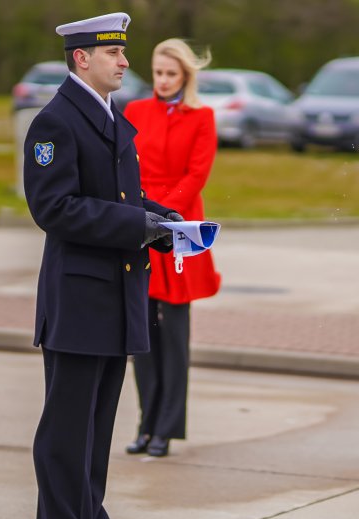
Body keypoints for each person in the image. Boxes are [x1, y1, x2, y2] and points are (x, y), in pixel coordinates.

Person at [24, 12, 182, 519]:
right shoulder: (55, 122)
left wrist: (166, 223)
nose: (125, 61)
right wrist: (136, 224)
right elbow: (55, 208)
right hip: (79, 300)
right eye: (113, 53)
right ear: (81, 58)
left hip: (114, 297)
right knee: (67, 428)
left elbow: (122, 195)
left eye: (124, 52)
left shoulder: (108, 118)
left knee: (96, 427)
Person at [123, 39, 220, 459]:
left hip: (179, 233)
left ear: (185, 76)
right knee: (140, 334)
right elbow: (125, 167)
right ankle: (145, 424)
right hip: (141, 229)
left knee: (174, 336)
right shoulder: (134, 112)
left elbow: (197, 174)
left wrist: (166, 219)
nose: (163, 81)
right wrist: (142, 216)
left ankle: (166, 427)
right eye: (158, 73)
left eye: (171, 74)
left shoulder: (202, 116)